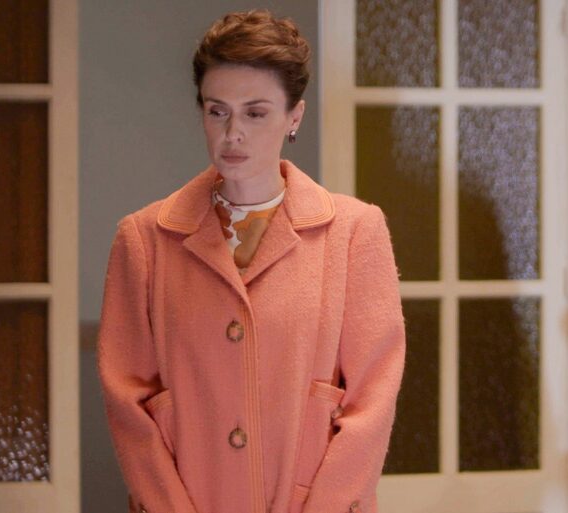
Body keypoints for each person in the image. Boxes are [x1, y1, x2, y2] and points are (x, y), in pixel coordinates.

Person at [97, 10, 405, 513]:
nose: (232, 132)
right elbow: (127, 404)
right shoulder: (145, 240)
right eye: (217, 111)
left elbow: (372, 399)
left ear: (294, 117)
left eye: (255, 113)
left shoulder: (353, 233)